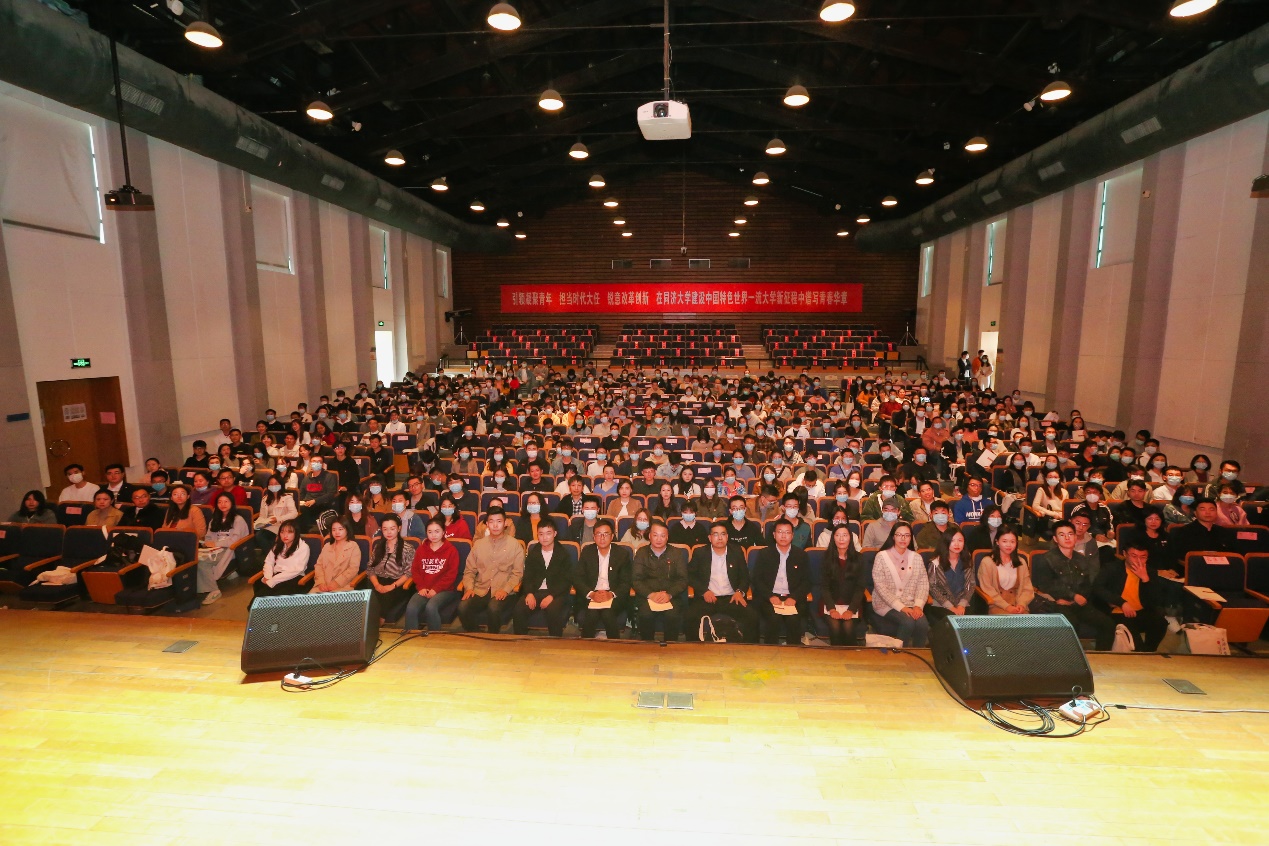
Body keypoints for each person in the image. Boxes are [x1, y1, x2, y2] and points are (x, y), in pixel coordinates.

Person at [1031, 521, 1116, 650]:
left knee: (1108, 624)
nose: (1067, 538)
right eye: (1062, 535)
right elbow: (1045, 585)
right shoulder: (1046, 559)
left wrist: (1077, 599)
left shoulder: (1081, 559)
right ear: (1055, 539)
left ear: (1075, 537)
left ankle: (1100, 657)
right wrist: (1072, 596)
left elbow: (1087, 584)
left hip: (1078, 603)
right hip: (1056, 604)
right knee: (1071, 624)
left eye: (1070, 534)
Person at [1092, 540, 1170, 651]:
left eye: (1143, 557)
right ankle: (1141, 652)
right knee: (1135, 641)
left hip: (1141, 611)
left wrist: (1145, 579)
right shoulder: (1111, 568)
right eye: (1134, 556)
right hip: (1118, 612)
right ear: (1125, 554)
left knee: (1160, 623)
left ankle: (1148, 652)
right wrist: (1121, 602)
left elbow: (1156, 600)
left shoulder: (1150, 572)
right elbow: (1097, 587)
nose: (1138, 560)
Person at [687, 522, 756, 643]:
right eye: (715, 534)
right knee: (690, 617)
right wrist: (703, 591)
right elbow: (690, 575)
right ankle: (694, 650)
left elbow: (745, 576)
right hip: (708, 597)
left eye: (723, 534)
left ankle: (748, 650)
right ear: (709, 538)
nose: (719, 538)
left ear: (727, 537)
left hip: (731, 598)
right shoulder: (700, 552)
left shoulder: (736, 551)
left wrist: (740, 592)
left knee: (752, 617)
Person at [458, 508, 524, 633]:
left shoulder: (515, 545)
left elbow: (518, 573)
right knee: (463, 607)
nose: (495, 525)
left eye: (499, 521)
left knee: (493, 608)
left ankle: (493, 637)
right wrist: (469, 588)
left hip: (503, 590)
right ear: (487, 524)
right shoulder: (478, 545)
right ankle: (476, 634)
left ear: (505, 523)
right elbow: (469, 570)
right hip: (480, 589)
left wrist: (505, 590)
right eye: (491, 521)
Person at [870, 521, 930, 647]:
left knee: (922, 624)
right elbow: (880, 587)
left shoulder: (916, 557)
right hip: (886, 604)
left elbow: (923, 584)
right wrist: (901, 607)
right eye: (899, 535)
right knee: (908, 622)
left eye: (907, 535)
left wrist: (918, 606)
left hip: (911, 603)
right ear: (893, 536)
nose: (903, 538)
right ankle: (900, 653)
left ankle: (917, 655)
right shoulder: (881, 556)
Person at [752, 519, 812, 645]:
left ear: (792, 535)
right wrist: (770, 596)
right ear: (774, 535)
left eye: (787, 532)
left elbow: (807, 581)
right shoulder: (764, 554)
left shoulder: (801, 555)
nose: (783, 536)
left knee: (793, 619)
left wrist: (794, 597)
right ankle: (771, 651)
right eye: (780, 532)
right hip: (770, 598)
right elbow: (757, 579)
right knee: (773, 618)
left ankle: (792, 651)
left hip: (793, 598)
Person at [512, 521, 576, 637]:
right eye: (541, 534)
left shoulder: (563, 553)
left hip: (556, 593)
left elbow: (566, 580)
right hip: (535, 591)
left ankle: (554, 641)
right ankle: (521, 641)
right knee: (519, 609)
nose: (544, 537)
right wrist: (529, 593)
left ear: (555, 534)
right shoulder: (534, 552)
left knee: (553, 610)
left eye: (548, 533)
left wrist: (552, 596)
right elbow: (528, 576)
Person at [575, 519, 634, 639]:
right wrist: (591, 594)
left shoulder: (622, 554)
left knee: (608, 613)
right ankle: (586, 646)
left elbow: (626, 582)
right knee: (591, 615)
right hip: (592, 595)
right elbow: (577, 578)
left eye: (606, 534)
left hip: (614, 596)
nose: (602, 538)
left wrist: (611, 594)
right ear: (594, 536)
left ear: (612, 536)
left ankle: (614, 645)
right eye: (598, 534)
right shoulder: (587, 552)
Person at [631, 521, 689, 641]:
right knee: (645, 615)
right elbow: (636, 580)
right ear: (649, 536)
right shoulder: (642, 553)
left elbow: (683, 579)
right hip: (647, 596)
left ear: (667, 537)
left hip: (671, 596)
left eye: (663, 536)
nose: (659, 539)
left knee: (672, 616)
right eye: (655, 535)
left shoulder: (676, 553)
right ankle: (648, 646)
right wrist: (651, 594)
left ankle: (670, 647)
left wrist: (669, 594)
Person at [403, 518, 461, 632]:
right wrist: (421, 587)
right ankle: (411, 637)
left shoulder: (451, 550)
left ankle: (434, 637)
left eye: (437, 531)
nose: (433, 535)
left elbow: (451, 575)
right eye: (430, 532)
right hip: (424, 588)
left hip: (445, 590)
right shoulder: (421, 549)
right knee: (411, 608)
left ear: (443, 532)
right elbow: (415, 570)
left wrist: (436, 589)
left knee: (431, 607)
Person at [820, 524, 868, 646]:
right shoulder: (826, 557)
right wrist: (832, 609)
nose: (841, 539)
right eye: (838, 535)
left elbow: (860, 588)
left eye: (845, 535)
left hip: (852, 603)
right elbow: (824, 587)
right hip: (831, 603)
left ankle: (850, 655)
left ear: (850, 538)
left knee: (848, 627)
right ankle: (836, 656)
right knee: (835, 627)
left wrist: (851, 610)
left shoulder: (859, 558)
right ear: (833, 538)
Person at [199, 492, 249, 604]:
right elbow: (208, 536)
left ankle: (214, 590)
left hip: (232, 550)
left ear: (232, 503)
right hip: (216, 549)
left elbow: (234, 541)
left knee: (202, 562)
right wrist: (207, 543)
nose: (223, 504)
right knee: (197, 558)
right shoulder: (215, 519)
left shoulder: (238, 519)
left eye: (226, 501)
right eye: (220, 502)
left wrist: (215, 543)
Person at [365, 514, 413, 623]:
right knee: (367, 598)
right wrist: (377, 585)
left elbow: (409, 573)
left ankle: (377, 626)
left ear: (399, 528)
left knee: (383, 602)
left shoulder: (408, 548)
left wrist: (392, 586)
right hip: (377, 581)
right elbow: (370, 569)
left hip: (396, 584)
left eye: (392, 528)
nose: (389, 532)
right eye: (385, 529)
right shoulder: (378, 546)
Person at [977, 528, 1033, 614]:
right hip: (997, 605)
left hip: (1017, 604)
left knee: (1029, 622)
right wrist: (1007, 607)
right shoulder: (987, 562)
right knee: (1008, 622)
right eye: (1004, 541)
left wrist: (1022, 604)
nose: (1009, 545)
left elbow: (1027, 588)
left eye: (1012, 542)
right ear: (997, 542)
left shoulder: (1021, 562)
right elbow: (987, 589)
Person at [925, 528, 976, 624]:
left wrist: (961, 605)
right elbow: (932, 587)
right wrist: (951, 607)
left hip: (963, 603)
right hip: (941, 604)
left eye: (960, 540)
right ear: (946, 542)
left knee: (970, 624)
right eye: (952, 541)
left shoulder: (967, 560)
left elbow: (971, 584)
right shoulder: (935, 563)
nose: (957, 544)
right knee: (952, 622)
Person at [252, 520, 309, 599]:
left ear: (296, 533)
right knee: (258, 597)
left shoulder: (303, 547)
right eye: (282, 532)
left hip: (293, 578)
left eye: (289, 532)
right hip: (276, 576)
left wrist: (274, 580)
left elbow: (297, 570)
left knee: (273, 598)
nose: (285, 535)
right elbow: (269, 561)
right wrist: (268, 576)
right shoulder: (278, 545)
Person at [312, 516, 361, 593]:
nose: (337, 532)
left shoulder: (353, 546)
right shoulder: (327, 546)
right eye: (334, 530)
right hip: (323, 585)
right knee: (309, 599)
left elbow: (353, 569)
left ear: (347, 530)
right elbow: (319, 565)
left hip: (344, 585)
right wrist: (321, 582)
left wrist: (337, 583)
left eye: (340, 529)